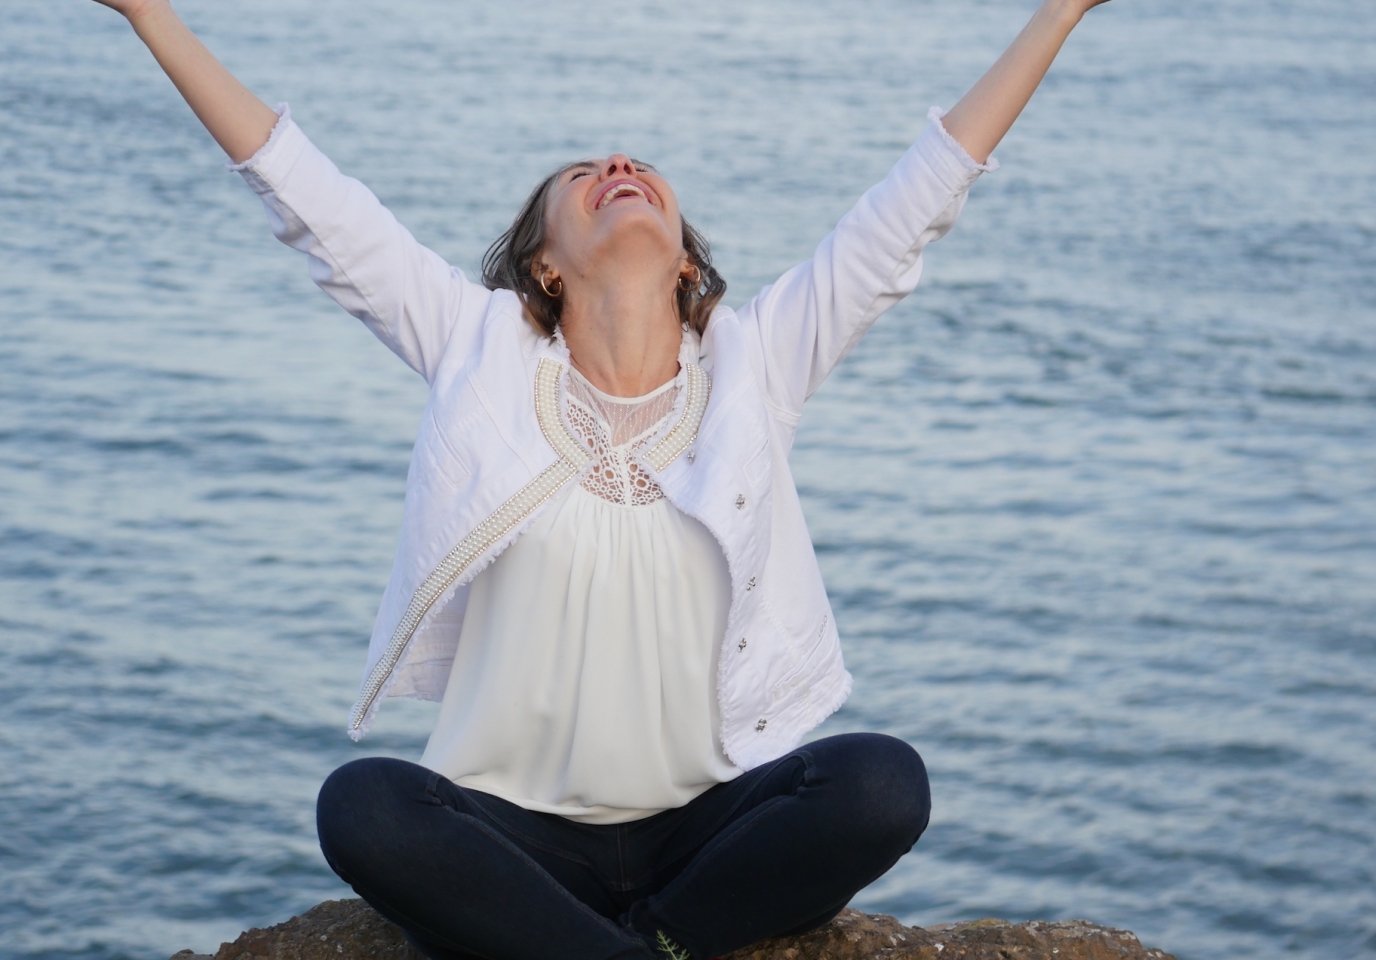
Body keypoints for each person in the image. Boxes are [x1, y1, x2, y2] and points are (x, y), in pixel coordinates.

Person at [89, 1, 1118, 957]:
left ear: (684, 264)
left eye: (636, 168)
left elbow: (922, 195)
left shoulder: (754, 368)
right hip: (506, 834)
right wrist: (147, 12)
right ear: (545, 264)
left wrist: (1061, 10)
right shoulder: (475, 352)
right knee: (362, 806)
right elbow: (306, 197)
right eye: (581, 175)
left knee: (880, 784)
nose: (617, 164)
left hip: (706, 832)